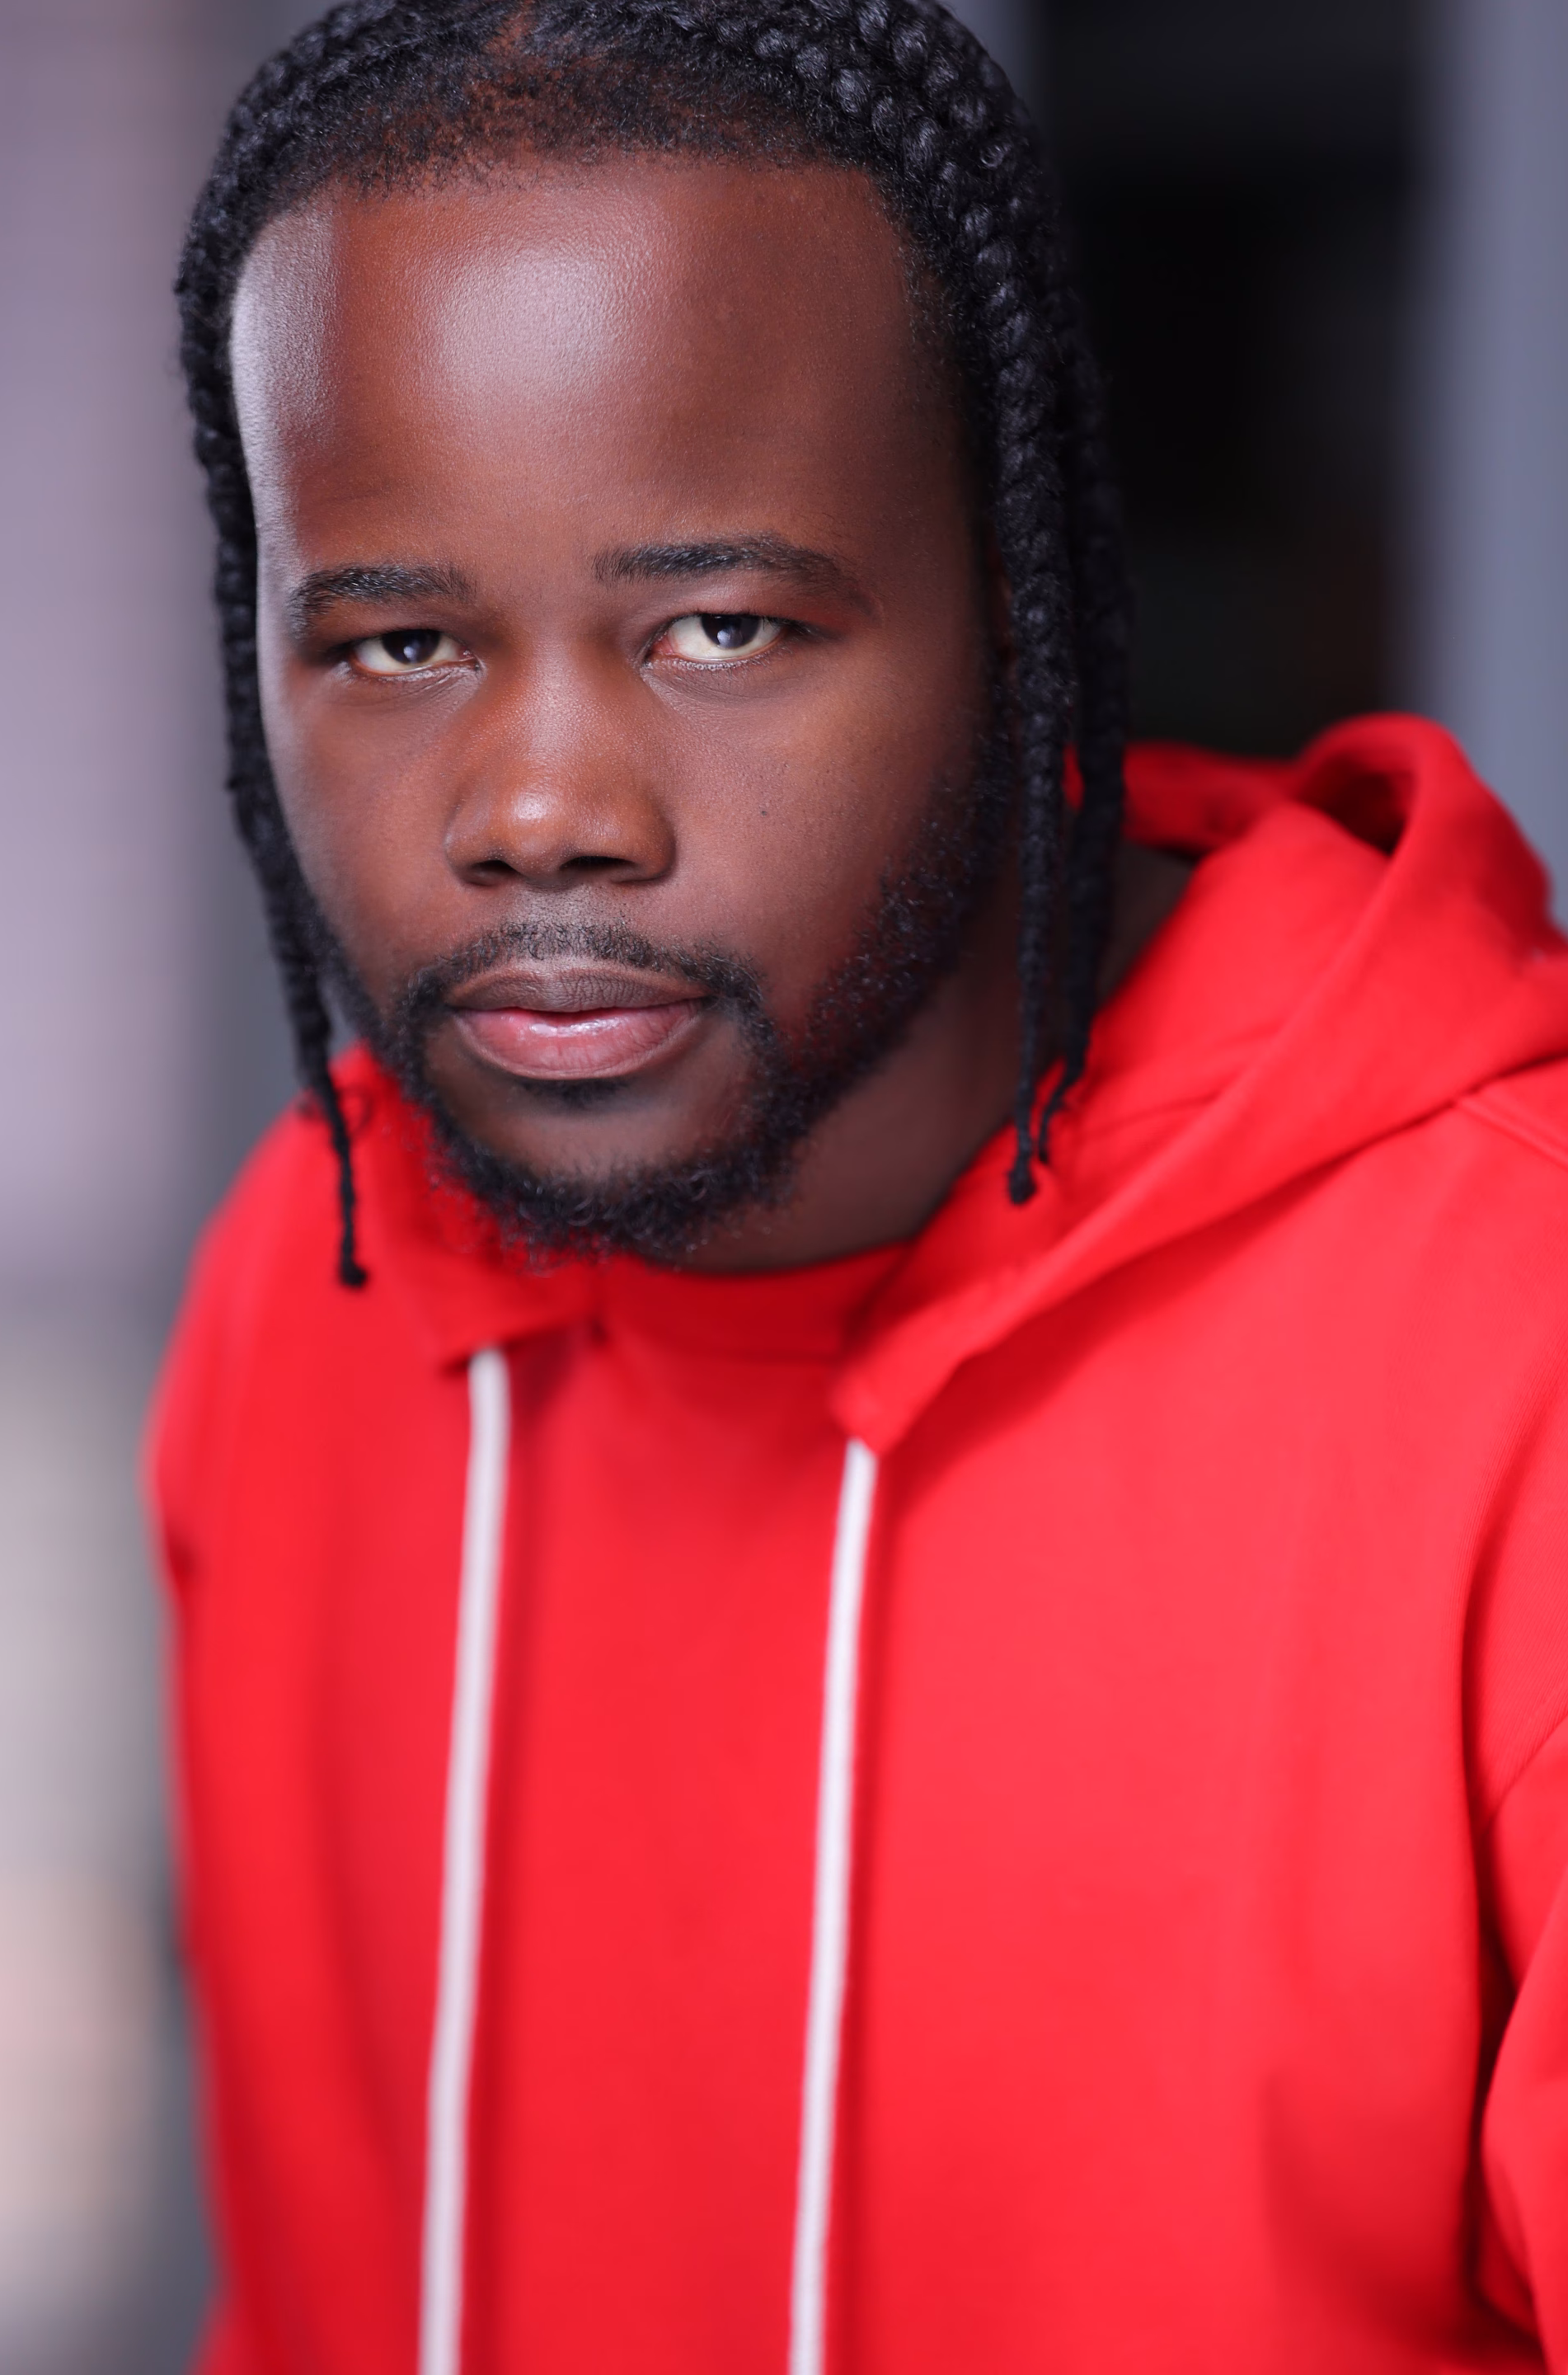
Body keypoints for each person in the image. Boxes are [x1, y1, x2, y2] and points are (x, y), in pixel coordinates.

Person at [153, 2, 1568, 2368]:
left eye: (723, 628)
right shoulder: (308, 1287)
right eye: (398, 641)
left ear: (1021, 608)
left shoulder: (1516, 1343)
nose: (539, 810)